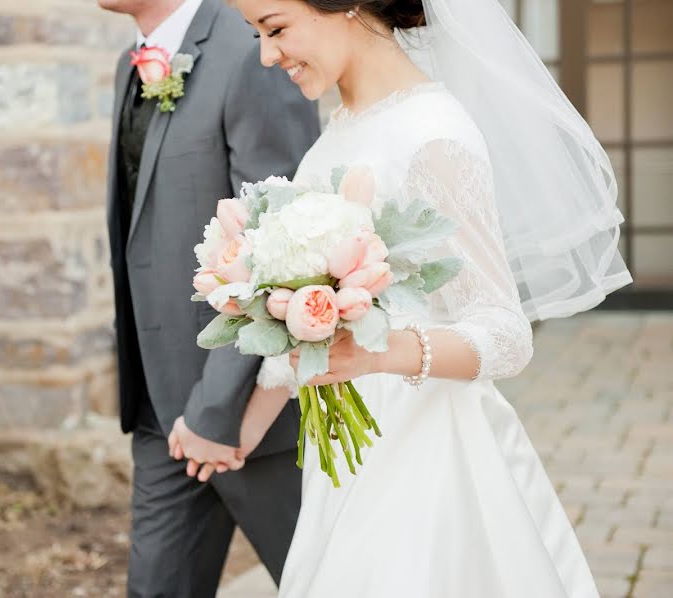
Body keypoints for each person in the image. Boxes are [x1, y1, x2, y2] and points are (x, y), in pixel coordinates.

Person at [221, 0, 632, 595]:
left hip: (425, 454)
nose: (265, 54)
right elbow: (301, 336)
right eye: (256, 33)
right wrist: (239, 433)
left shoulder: (431, 134)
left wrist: (379, 354)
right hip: (344, 455)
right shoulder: (342, 125)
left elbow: (506, 335)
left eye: (276, 28)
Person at [97, 0, 320, 595]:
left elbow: (282, 244)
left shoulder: (253, 47)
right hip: (157, 407)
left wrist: (217, 407)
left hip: (252, 413)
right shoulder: (131, 65)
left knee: (323, 581)